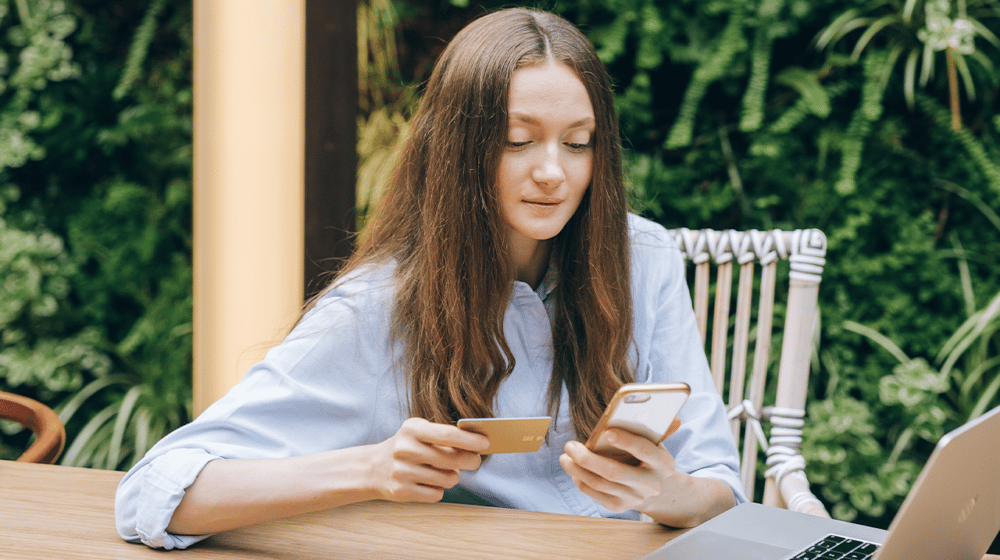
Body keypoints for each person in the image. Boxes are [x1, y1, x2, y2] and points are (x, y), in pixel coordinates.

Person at [115, 7, 745, 550]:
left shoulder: (644, 257)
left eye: (578, 143)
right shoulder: (380, 307)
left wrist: (673, 494)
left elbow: (720, 484)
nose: (554, 171)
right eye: (518, 140)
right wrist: (371, 468)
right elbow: (156, 490)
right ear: (461, 148)